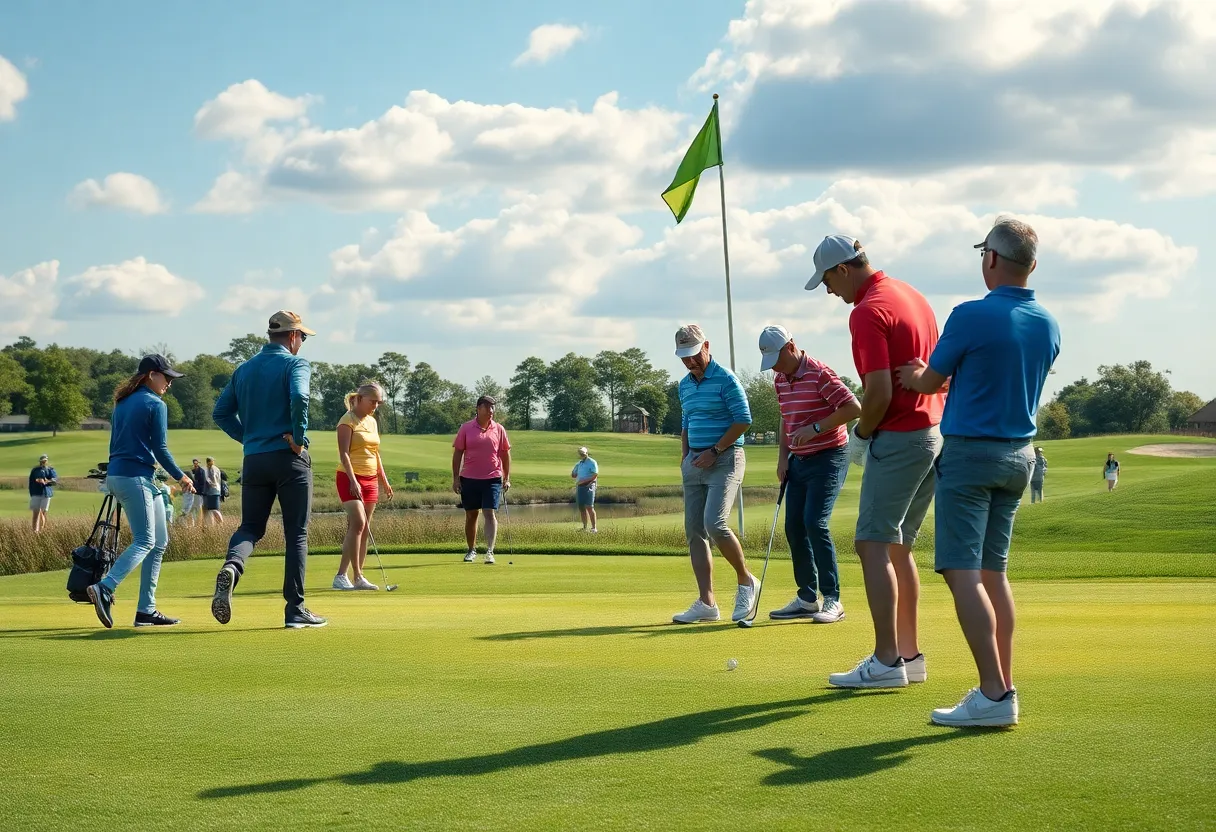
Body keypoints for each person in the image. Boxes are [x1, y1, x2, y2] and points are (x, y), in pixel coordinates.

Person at [898, 217, 1060, 727]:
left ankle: (993, 693)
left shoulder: (968, 315)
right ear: (1031, 265)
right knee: (994, 572)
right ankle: (1002, 688)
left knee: (961, 571)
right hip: (1021, 456)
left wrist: (910, 374)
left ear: (991, 258)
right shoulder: (1049, 323)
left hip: (971, 455)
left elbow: (931, 380)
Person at [806, 235, 945, 688]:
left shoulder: (866, 311)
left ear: (843, 269)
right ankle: (909, 655)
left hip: (901, 437)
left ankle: (887, 662)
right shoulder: (912, 295)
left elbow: (879, 393)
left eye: (827, 280)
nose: (828, 291)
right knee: (898, 547)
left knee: (871, 544)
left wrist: (861, 436)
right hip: (933, 433)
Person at [211, 310, 326, 629]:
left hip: (255, 460)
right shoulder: (295, 363)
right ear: (292, 336)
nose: (302, 343)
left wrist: (247, 437)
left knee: (250, 527)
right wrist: (299, 439)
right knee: (297, 533)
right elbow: (300, 396)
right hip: (289, 459)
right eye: (302, 337)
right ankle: (295, 609)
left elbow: (220, 413)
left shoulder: (244, 370)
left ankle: (233, 566)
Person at [759, 325, 861, 625]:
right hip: (798, 460)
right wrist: (782, 458)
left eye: (778, 359)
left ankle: (832, 599)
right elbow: (785, 419)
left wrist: (816, 428)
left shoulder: (818, 373)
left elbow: (853, 407)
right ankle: (807, 598)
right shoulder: (780, 379)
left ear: (791, 347)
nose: (775, 367)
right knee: (794, 526)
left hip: (830, 457)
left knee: (815, 523)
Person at [85, 355, 196, 628]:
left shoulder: (122, 402)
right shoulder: (155, 404)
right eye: (166, 377)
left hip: (124, 476)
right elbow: (160, 449)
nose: (169, 383)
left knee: (158, 542)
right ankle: (105, 587)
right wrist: (181, 476)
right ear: (150, 375)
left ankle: (146, 610)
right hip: (135, 477)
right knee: (145, 540)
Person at [671, 324, 759, 624]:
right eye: (684, 357)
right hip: (694, 460)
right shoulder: (684, 384)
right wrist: (685, 456)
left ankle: (746, 581)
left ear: (706, 346)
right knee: (694, 531)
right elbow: (686, 420)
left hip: (725, 458)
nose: (690, 361)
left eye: (694, 354)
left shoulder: (726, 379)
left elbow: (743, 420)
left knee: (715, 524)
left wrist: (716, 451)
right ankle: (707, 603)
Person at [333, 382, 394, 590]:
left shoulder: (372, 422)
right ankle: (354, 575)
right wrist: (352, 481)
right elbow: (344, 454)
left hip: (370, 479)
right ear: (359, 399)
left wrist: (383, 480)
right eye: (372, 401)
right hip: (348, 477)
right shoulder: (347, 421)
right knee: (358, 523)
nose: (375, 406)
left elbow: (375, 453)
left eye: (378, 403)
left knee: (362, 528)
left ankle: (346, 576)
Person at [453, 395, 511, 564]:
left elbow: (505, 454)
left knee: (489, 512)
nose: (491, 411)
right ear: (478, 409)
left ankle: (490, 551)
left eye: (493, 407)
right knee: (471, 515)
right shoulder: (466, 428)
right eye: (487, 407)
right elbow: (458, 453)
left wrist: (507, 477)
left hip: (492, 478)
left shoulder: (499, 429)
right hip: (469, 478)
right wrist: (456, 478)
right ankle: (471, 550)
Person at [571, 446, 598, 532]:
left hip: (589, 486)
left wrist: (585, 480)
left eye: (583, 453)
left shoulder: (592, 462)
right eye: (581, 454)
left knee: (589, 507)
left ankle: (594, 528)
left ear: (586, 453)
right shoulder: (579, 463)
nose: (582, 455)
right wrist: (574, 473)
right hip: (580, 487)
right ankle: (585, 527)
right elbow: (573, 475)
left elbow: (595, 475)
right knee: (581, 507)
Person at [28, 453, 57, 533]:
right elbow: (38, 479)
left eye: (45, 461)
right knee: (36, 513)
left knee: (43, 513)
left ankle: (41, 531)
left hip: (46, 493)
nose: (43, 463)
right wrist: (42, 480)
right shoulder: (35, 470)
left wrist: (48, 481)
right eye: (42, 461)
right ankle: (35, 531)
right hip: (36, 493)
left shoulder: (50, 469)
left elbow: (54, 479)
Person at [203, 457, 224, 526]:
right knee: (212, 509)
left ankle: (220, 523)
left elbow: (212, 479)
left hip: (212, 491)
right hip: (216, 491)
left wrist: (212, 484)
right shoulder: (215, 468)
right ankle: (215, 524)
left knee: (213, 509)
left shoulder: (211, 469)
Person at [188, 459, 208, 526]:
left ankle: (199, 524)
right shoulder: (193, 471)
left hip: (198, 493)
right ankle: (192, 524)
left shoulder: (201, 471)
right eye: (194, 463)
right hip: (193, 493)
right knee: (192, 508)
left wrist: (198, 491)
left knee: (198, 508)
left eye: (196, 463)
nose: (195, 464)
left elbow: (202, 483)